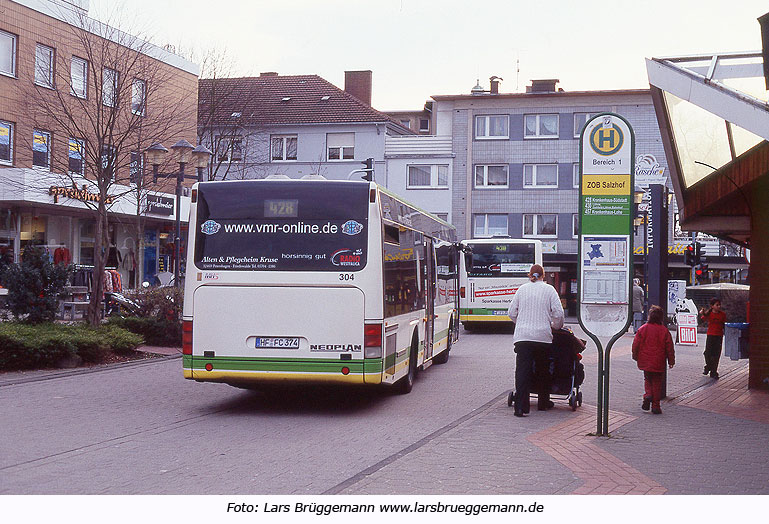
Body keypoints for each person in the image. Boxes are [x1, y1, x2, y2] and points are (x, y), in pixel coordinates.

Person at [507, 264, 564, 417]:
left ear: (530, 275)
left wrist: (521, 323)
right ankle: (543, 403)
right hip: (542, 337)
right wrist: (555, 326)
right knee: (543, 370)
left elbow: (511, 312)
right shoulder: (549, 290)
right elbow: (558, 313)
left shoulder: (522, 289)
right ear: (543, 275)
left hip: (522, 337)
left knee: (522, 371)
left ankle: (520, 407)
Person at [632, 305, 675, 415]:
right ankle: (656, 406)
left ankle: (648, 395)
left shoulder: (643, 329)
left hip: (645, 359)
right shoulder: (664, 331)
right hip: (659, 361)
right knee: (657, 383)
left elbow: (635, 344)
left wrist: (635, 356)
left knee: (647, 379)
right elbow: (669, 347)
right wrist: (671, 361)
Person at [700, 298, 726, 379]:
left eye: (719, 305)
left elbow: (724, 324)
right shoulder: (709, 314)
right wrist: (701, 314)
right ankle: (708, 366)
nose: (719, 306)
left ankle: (713, 371)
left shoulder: (722, 314)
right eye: (717, 305)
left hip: (719, 336)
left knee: (716, 354)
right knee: (707, 353)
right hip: (711, 335)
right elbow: (701, 320)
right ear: (712, 306)